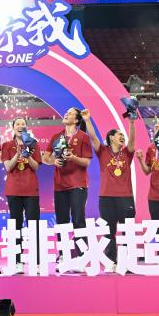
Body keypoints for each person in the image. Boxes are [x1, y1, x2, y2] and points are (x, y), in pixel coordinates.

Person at [82, 109, 136, 269]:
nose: (122, 137)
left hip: (125, 197)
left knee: (128, 231)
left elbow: (132, 141)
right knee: (109, 232)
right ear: (111, 137)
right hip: (106, 198)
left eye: (123, 135)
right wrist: (87, 120)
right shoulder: (103, 152)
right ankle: (111, 261)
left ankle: (127, 262)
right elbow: (93, 137)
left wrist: (131, 123)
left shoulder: (127, 153)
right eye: (119, 134)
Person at [42, 108, 92, 259]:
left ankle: (82, 255)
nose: (66, 114)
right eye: (66, 112)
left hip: (78, 185)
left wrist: (73, 158)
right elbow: (45, 158)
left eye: (70, 113)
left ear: (76, 120)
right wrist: (54, 161)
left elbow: (86, 162)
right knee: (62, 221)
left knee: (78, 220)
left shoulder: (83, 137)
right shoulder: (56, 137)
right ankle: (63, 255)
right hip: (60, 185)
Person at [1, 117, 42, 273]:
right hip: (14, 190)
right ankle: (17, 261)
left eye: (23, 124)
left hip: (31, 190)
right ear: (13, 127)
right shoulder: (7, 145)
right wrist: (17, 154)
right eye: (17, 124)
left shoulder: (34, 144)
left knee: (33, 225)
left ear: (26, 127)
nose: (20, 126)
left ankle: (36, 261)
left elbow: (36, 167)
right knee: (16, 226)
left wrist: (28, 154)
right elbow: (8, 167)